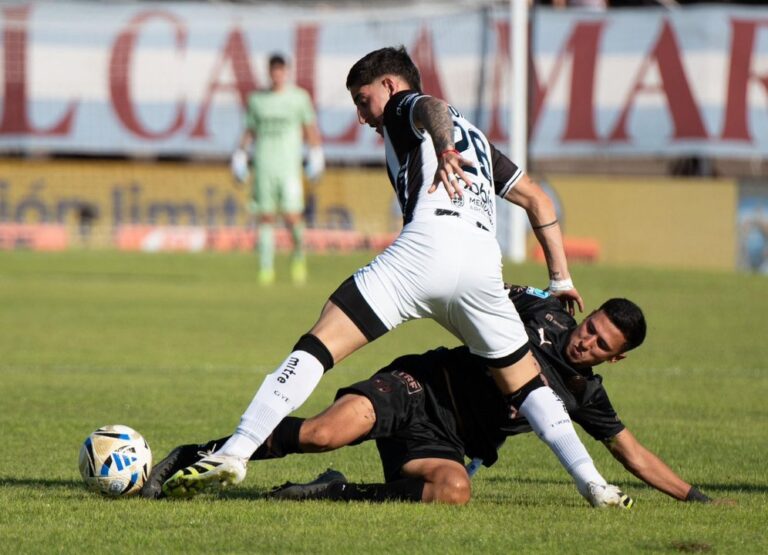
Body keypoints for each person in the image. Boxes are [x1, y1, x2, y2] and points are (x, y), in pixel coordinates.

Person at [163, 46, 620, 506]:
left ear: (388, 85)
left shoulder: (405, 105)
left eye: (363, 101)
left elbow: (430, 106)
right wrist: (560, 279)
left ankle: (237, 451)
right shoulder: (478, 137)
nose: (363, 116)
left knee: (319, 346)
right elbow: (538, 200)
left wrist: (441, 146)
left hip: (426, 251)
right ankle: (592, 483)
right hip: (482, 266)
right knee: (529, 387)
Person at [144, 286, 711, 506]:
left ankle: (334, 494)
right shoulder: (541, 313)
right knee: (321, 433)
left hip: (445, 441)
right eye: (590, 327)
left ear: (617, 357)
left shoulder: (588, 396)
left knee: (454, 490)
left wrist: (695, 498)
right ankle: (199, 455)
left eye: (600, 344)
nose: (585, 341)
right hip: (416, 387)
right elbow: (480, 285)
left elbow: (631, 454)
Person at [230, 53, 325, 285]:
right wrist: (240, 155)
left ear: (287, 72)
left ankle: (299, 257)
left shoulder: (298, 98)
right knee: (265, 217)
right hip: (264, 165)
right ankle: (266, 268)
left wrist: (316, 153)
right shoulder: (257, 100)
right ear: (269, 73)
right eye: (274, 71)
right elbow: (250, 130)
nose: (277, 76)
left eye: (281, 71)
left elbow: (309, 127)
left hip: (289, 167)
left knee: (293, 216)